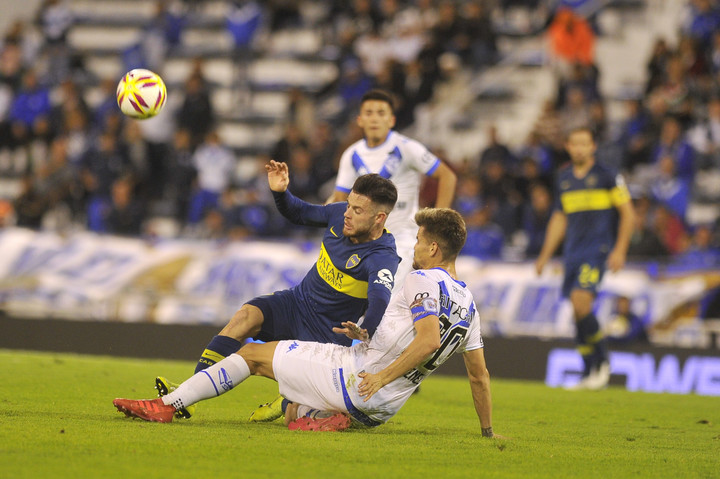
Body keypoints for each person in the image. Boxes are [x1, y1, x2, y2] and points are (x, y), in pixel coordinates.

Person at [114, 208, 496, 437]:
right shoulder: (470, 307)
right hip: (380, 410)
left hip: (358, 379)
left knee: (251, 354)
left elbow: (427, 340)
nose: (413, 248)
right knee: (292, 407)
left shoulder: (423, 279)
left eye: (419, 242)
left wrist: (380, 375)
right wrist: (487, 432)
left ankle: (167, 405)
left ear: (433, 248)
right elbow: (479, 377)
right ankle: (322, 415)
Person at [156, 160, 400, 419]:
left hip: (325, 335)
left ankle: (286, 403)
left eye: (358, 210)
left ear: (379, 218)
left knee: (299, 413)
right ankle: (188, 396)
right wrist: (281, 192)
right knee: (245, 316)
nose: (348, 214)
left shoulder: (382, 256)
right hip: (296, 303)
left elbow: (380, 298)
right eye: (349, 205)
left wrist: (365, 331)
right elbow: (300, 213)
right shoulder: (339, 215)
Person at [328, 89, 457, 293]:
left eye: (381, 113)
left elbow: (447, 176)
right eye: (369, 113)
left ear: (392, 120)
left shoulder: (407, 148)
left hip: (403, 241)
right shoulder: (351, 155)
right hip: (365, 244)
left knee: (384, 302)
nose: (375, 119)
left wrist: (437, 224)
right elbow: (339, 200)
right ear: (360, 120)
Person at [535, 127, 635, 390]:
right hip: (572, 254)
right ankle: (589, 370)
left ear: (593, 147)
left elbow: (628, 213)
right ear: (568, 146)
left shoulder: (607, 176)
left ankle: (601, 362)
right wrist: (544, 256)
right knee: (578, 312)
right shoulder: (564, 177)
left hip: (597, 251)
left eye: (584, 144)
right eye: (574, 143)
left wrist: (620, 249)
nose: (579, 148)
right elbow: (559, 217)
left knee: (581, 303)